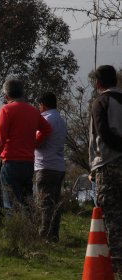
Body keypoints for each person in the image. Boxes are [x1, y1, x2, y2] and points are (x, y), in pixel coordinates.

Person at [0, 78, 52, 206]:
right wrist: (34, 144)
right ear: (23, 93)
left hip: (11, 163)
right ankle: (29, 225)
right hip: (28, 163)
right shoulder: (33, 110)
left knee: (11, 203)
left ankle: (15, 226)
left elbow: (0, 139)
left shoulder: (6, 110)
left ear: (6, 96)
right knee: (27, 202)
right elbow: (47, 129)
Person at [89, 65, 122, 276]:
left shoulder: (100, 102)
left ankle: (118, 266)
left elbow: (103, 134)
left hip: (108, 166)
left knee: (112, 218)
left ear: (98, 83)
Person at [34, 92, 67, 243]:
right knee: (55, 202)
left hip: (45, 165)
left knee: (45, 203)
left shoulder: (46, 119)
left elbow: (38, 141)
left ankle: (44, 235)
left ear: (43, 105)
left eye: (39, 105)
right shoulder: (60, 120)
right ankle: (54, 235)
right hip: (58, 166)